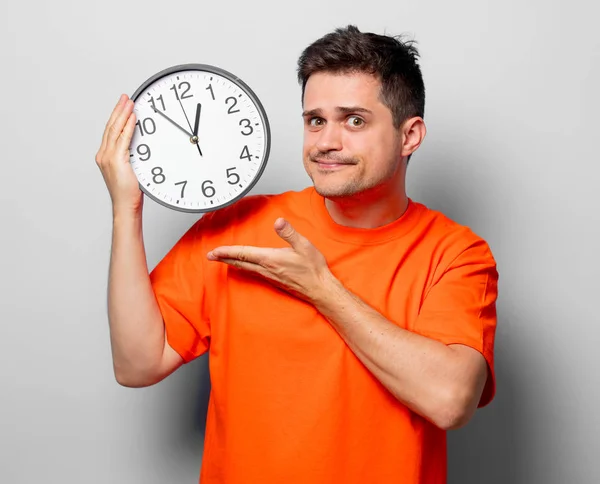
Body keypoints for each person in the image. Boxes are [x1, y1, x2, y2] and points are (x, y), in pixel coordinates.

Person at [95, 25, 498, 484]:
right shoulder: (239, 227)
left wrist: (322, 289)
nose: (326, 142)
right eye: (315, 120)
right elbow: (137, 364)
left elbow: (450, 399)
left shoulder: (456, 253)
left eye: (354, 121)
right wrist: (126, 212)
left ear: (410, 135)